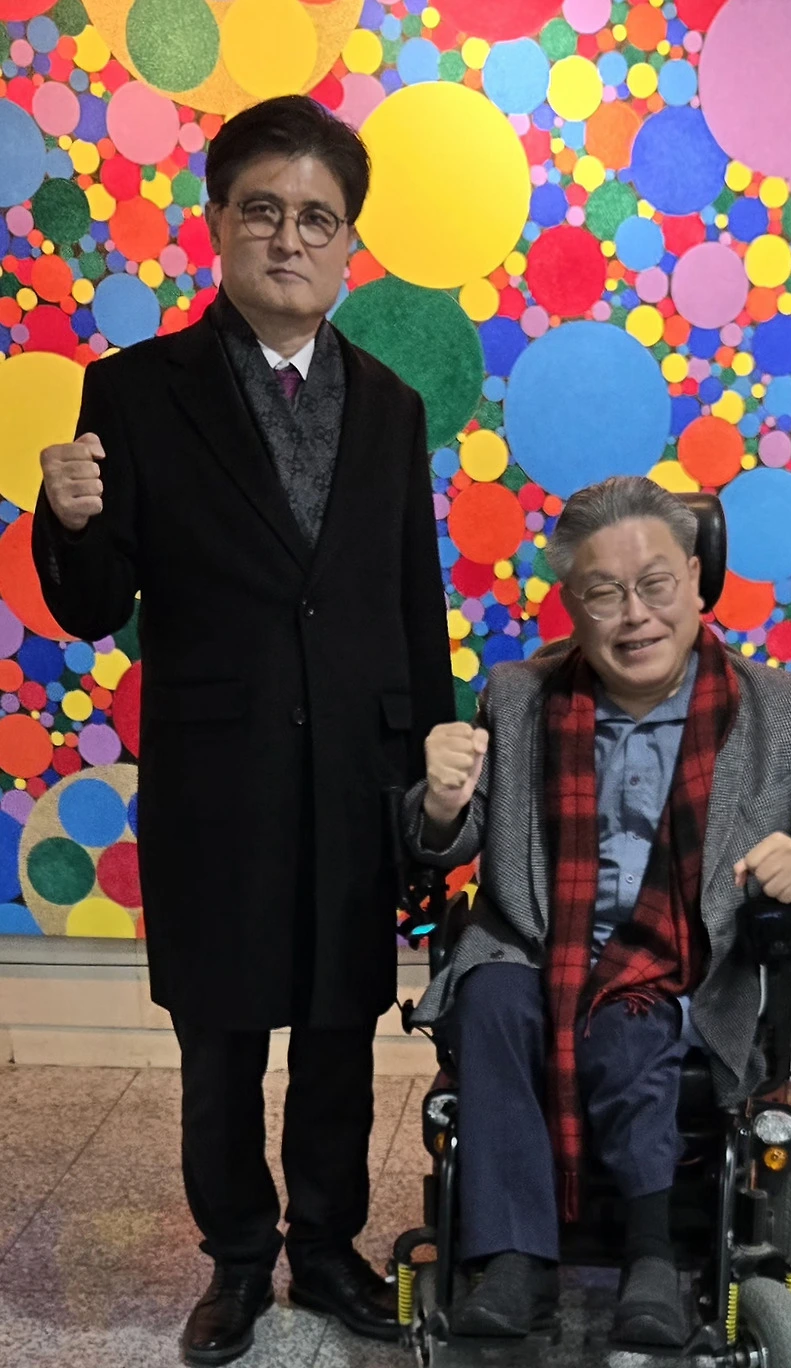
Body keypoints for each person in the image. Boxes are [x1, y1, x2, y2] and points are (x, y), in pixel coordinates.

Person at [33, 95, 453, 1366]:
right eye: (262, 209)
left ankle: (325, 1245)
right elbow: (95, 607)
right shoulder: (135, 391)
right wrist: (69, 521)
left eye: (316, 219)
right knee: (218, 1038)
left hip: (357, 775)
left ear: (348, 244)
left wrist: (430, 787)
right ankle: (234, 1257)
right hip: (218, 774)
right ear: (216, 222)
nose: (288, 238)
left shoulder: (389, 404)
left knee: (337, 1031)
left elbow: (410, 601)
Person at [403, 476, 791, 1348]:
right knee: (491, 996)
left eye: (655, 584)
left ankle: (653, 1254)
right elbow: (454, 834)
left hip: (684, 961)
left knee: (632, 1024)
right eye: (604, 593)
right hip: (541, 950)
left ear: (697, 581)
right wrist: (438, 804)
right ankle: (513, 1258)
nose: (635, 616)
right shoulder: (517, 697)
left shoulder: (776, 708)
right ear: (571, 604)